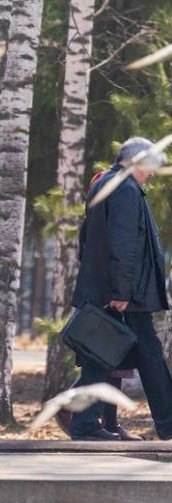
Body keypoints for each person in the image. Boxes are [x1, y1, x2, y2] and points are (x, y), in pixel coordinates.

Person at [68, 136, 172, 440]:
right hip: (126, 295)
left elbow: (86, 239)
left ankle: (93, 424)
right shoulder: (125, 189)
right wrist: (121, 292)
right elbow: (124, 245)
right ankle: (90, 425)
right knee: (124, 356)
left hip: (110, 290)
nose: (152, 173)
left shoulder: (105, 183)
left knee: (104, 356)